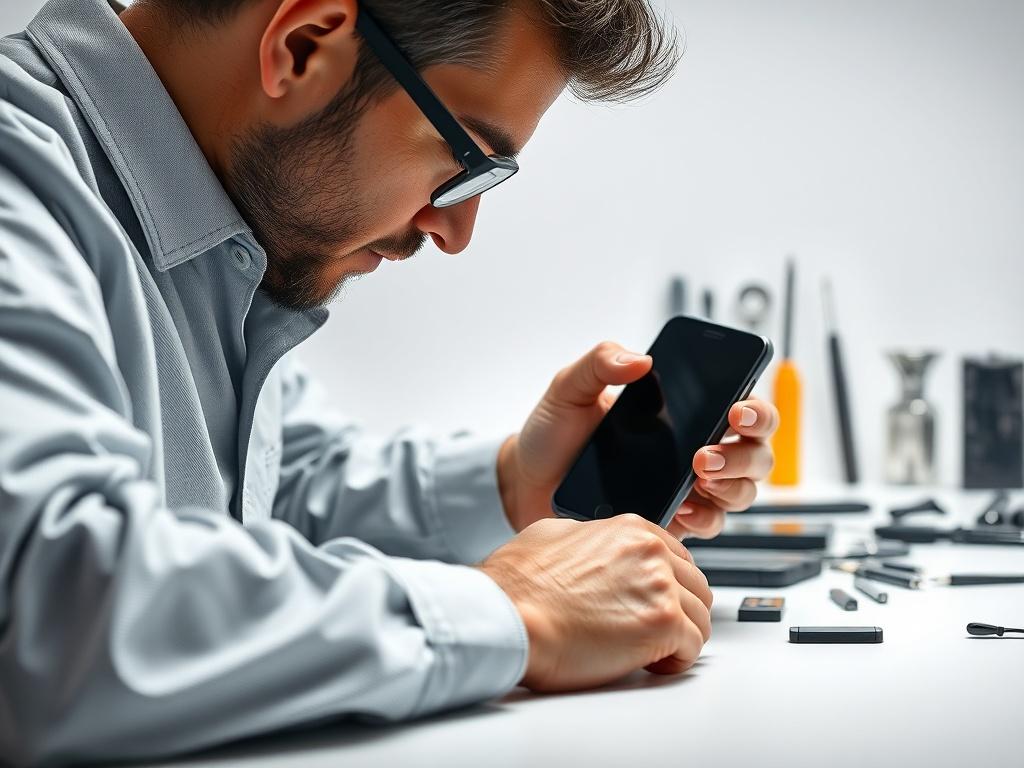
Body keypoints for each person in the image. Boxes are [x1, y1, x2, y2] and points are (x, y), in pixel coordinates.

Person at [0, 0, 778, 764]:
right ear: (304, 45)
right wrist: (514, 610)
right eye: (467, 162)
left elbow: (277, 493)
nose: (455, 232)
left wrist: (514, 483)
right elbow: (53, 613)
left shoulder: (219, 233)